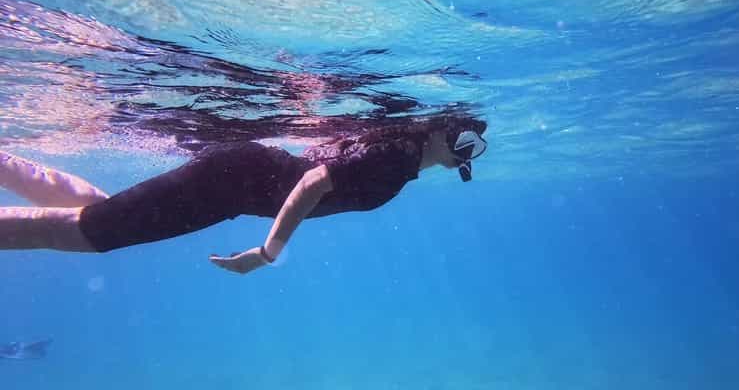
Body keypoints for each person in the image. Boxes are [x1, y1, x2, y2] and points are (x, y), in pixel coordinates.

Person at [0, 115, 487, 275]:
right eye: (466, 137)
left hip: (234, 179)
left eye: (476, 146)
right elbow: (313, 182)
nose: (469, 151)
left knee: (99, 215)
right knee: (94, 233)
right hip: (228, 184)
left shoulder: (394, 148)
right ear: (439, 131)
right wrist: (268, 252)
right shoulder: (398, 159)